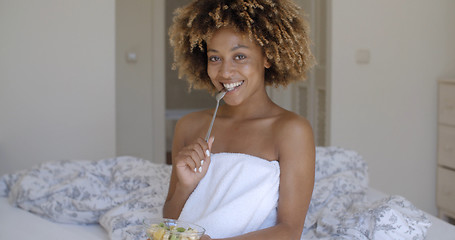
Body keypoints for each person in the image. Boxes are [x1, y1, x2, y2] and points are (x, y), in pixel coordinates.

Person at [163, 0, 315, 239]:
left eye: (240, 56)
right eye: (215, 58)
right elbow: (170, 221)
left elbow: (289, 230)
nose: (225, 72)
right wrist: (185, 186)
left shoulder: (292, 131)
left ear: (267, 57)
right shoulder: (188, 126)